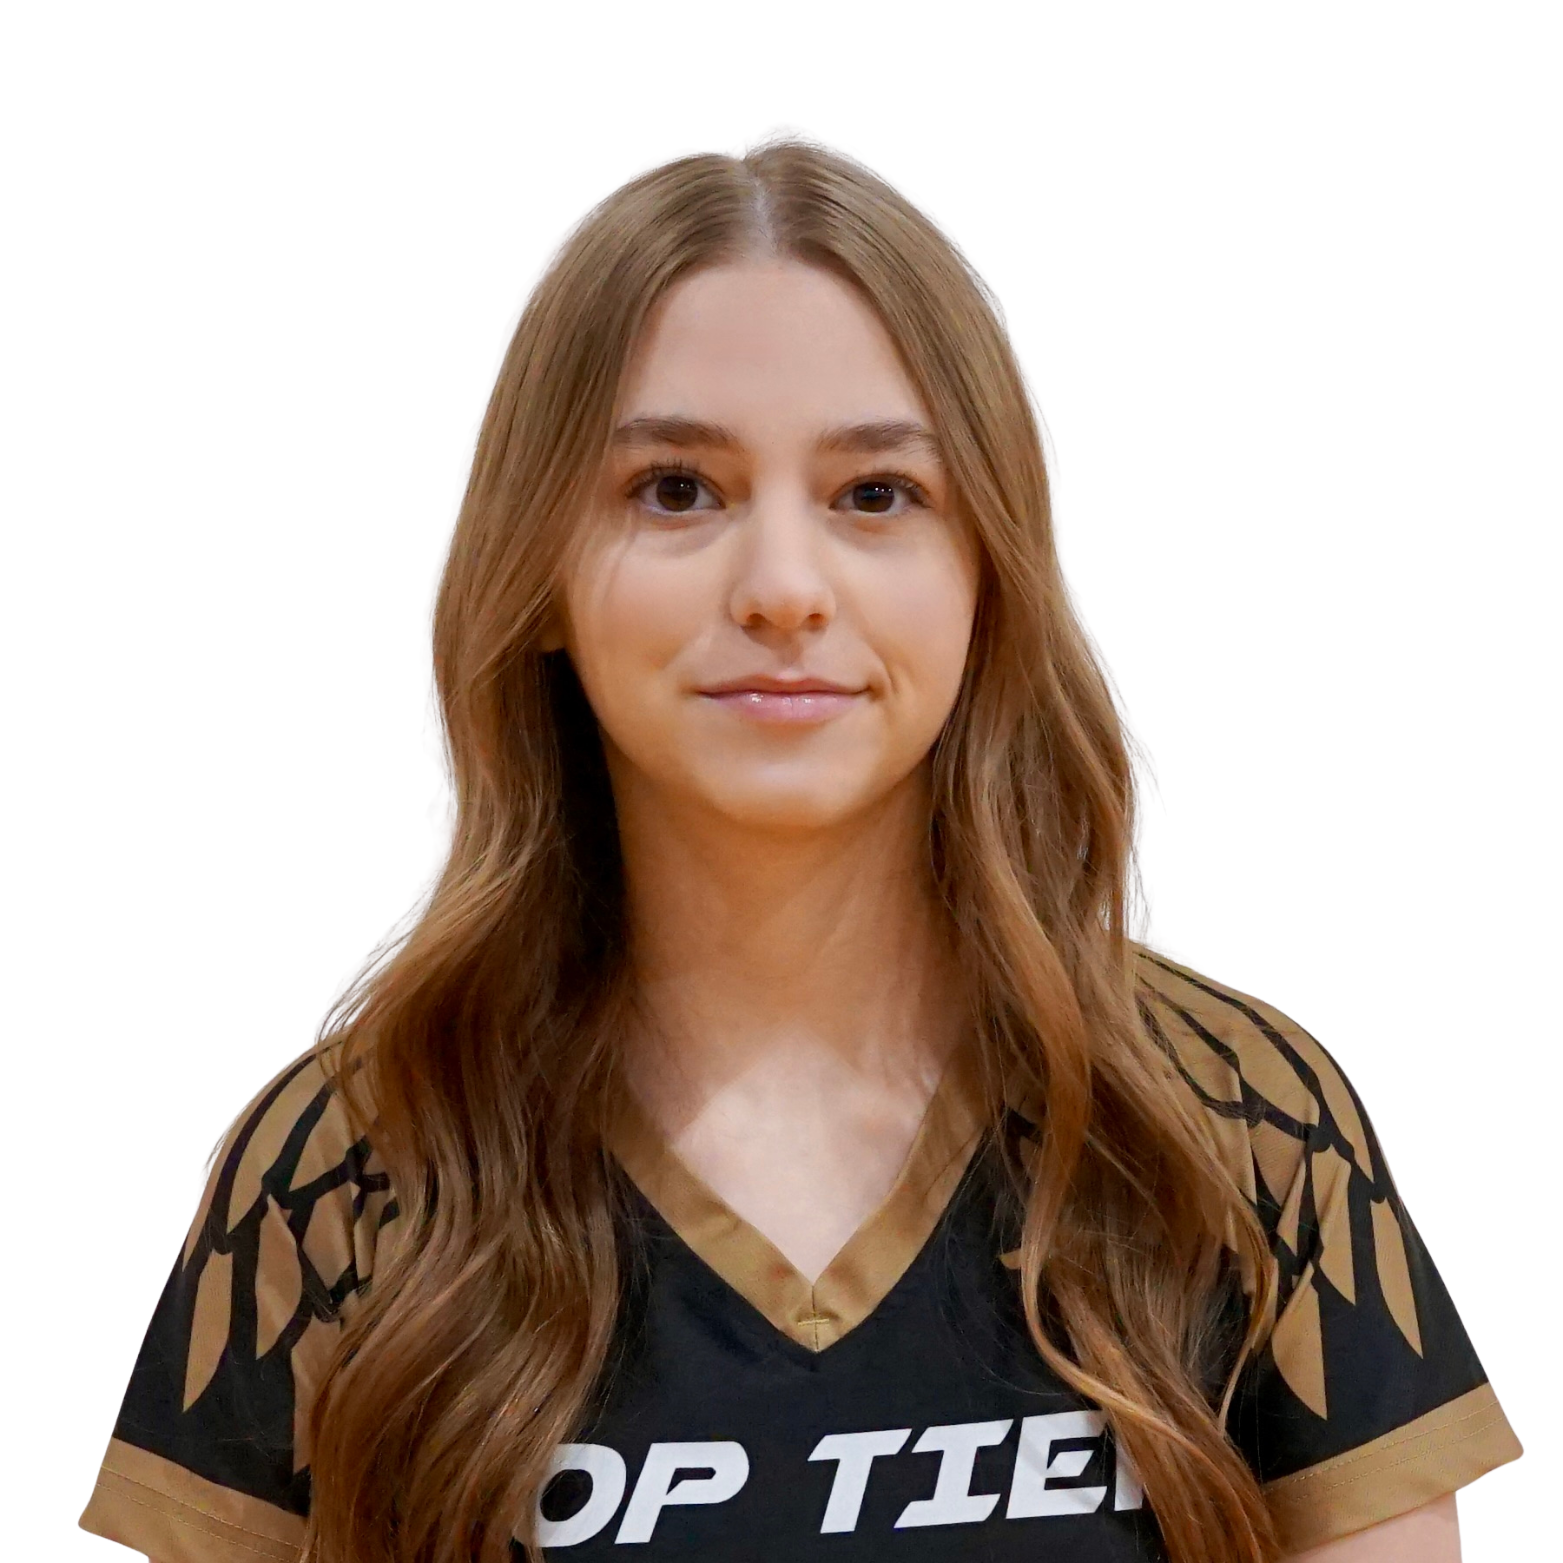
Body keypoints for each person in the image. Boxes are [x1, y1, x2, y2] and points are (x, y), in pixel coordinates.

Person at [78, 137, 1519, 1563]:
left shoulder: (1231, 1129)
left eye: (875, 495)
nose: (781, 589)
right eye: (675, 490)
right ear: (539, 575)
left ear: (987, 573)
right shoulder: (350, 1169)